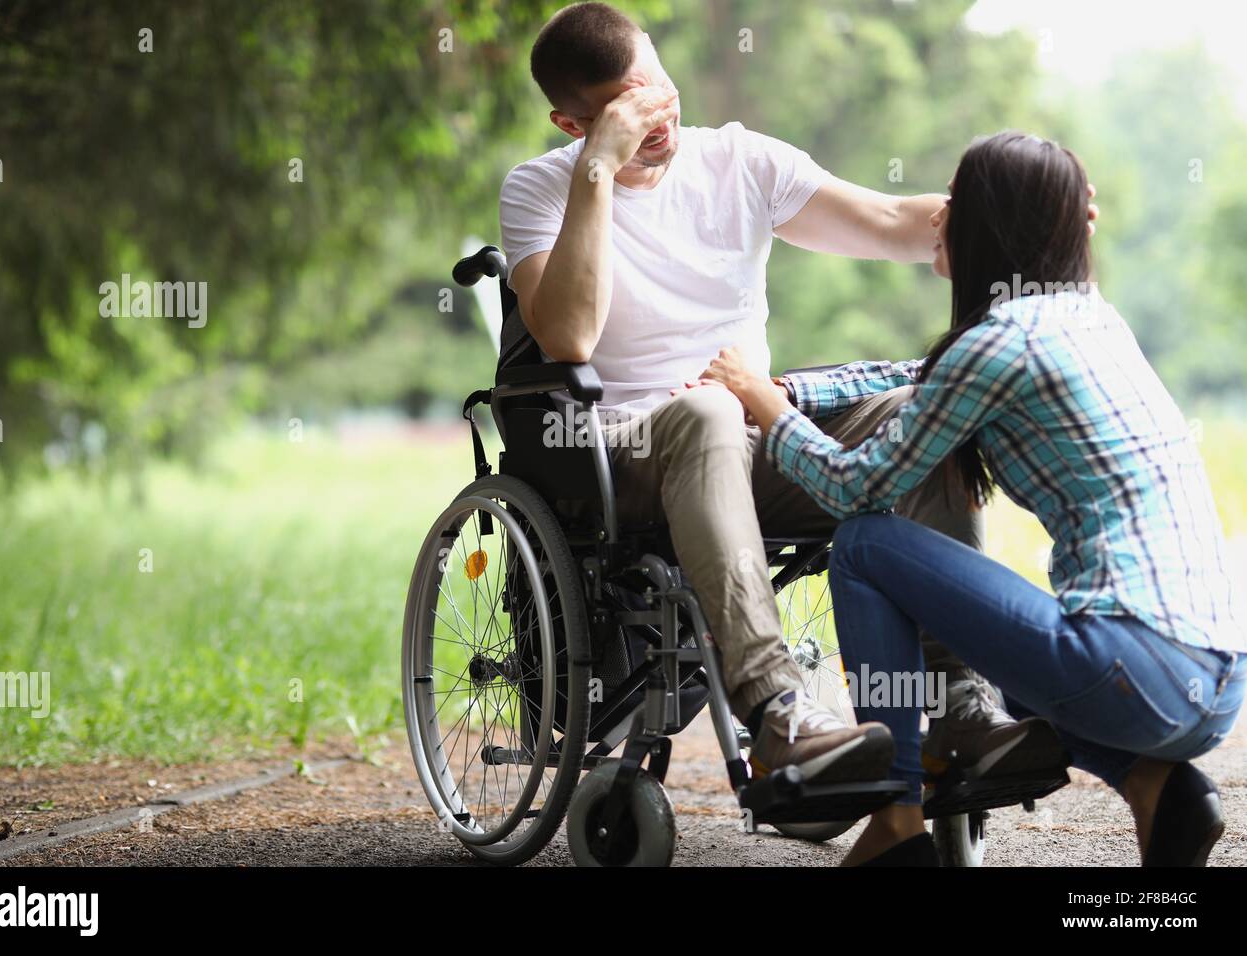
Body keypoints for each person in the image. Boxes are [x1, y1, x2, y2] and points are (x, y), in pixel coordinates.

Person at [500, 2, 1091, 785]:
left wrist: (1027, 218)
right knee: (708, 409)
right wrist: (599, 174)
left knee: (914, 414)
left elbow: (886, 221)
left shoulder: (741, 162)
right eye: (623, 109)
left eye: (658, 89)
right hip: (623, 453)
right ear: (572, 125)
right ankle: (779, 713)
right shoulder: (539, 191)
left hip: (751, 442)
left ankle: (961, 714)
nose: (655, 118)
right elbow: (568, 336)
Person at [700, 129, 1245, 866]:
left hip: (1133, 675)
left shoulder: (1000, 346)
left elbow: (853, 485)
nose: (936, 217)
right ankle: (1154, 785)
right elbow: (922, 374)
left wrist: (773, 414)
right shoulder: (1084, 315)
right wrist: (791, 388)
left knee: (862, 543)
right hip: (1212, 685)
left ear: (991, 225)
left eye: (955, 202)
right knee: (1017, 686)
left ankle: (895, 819)